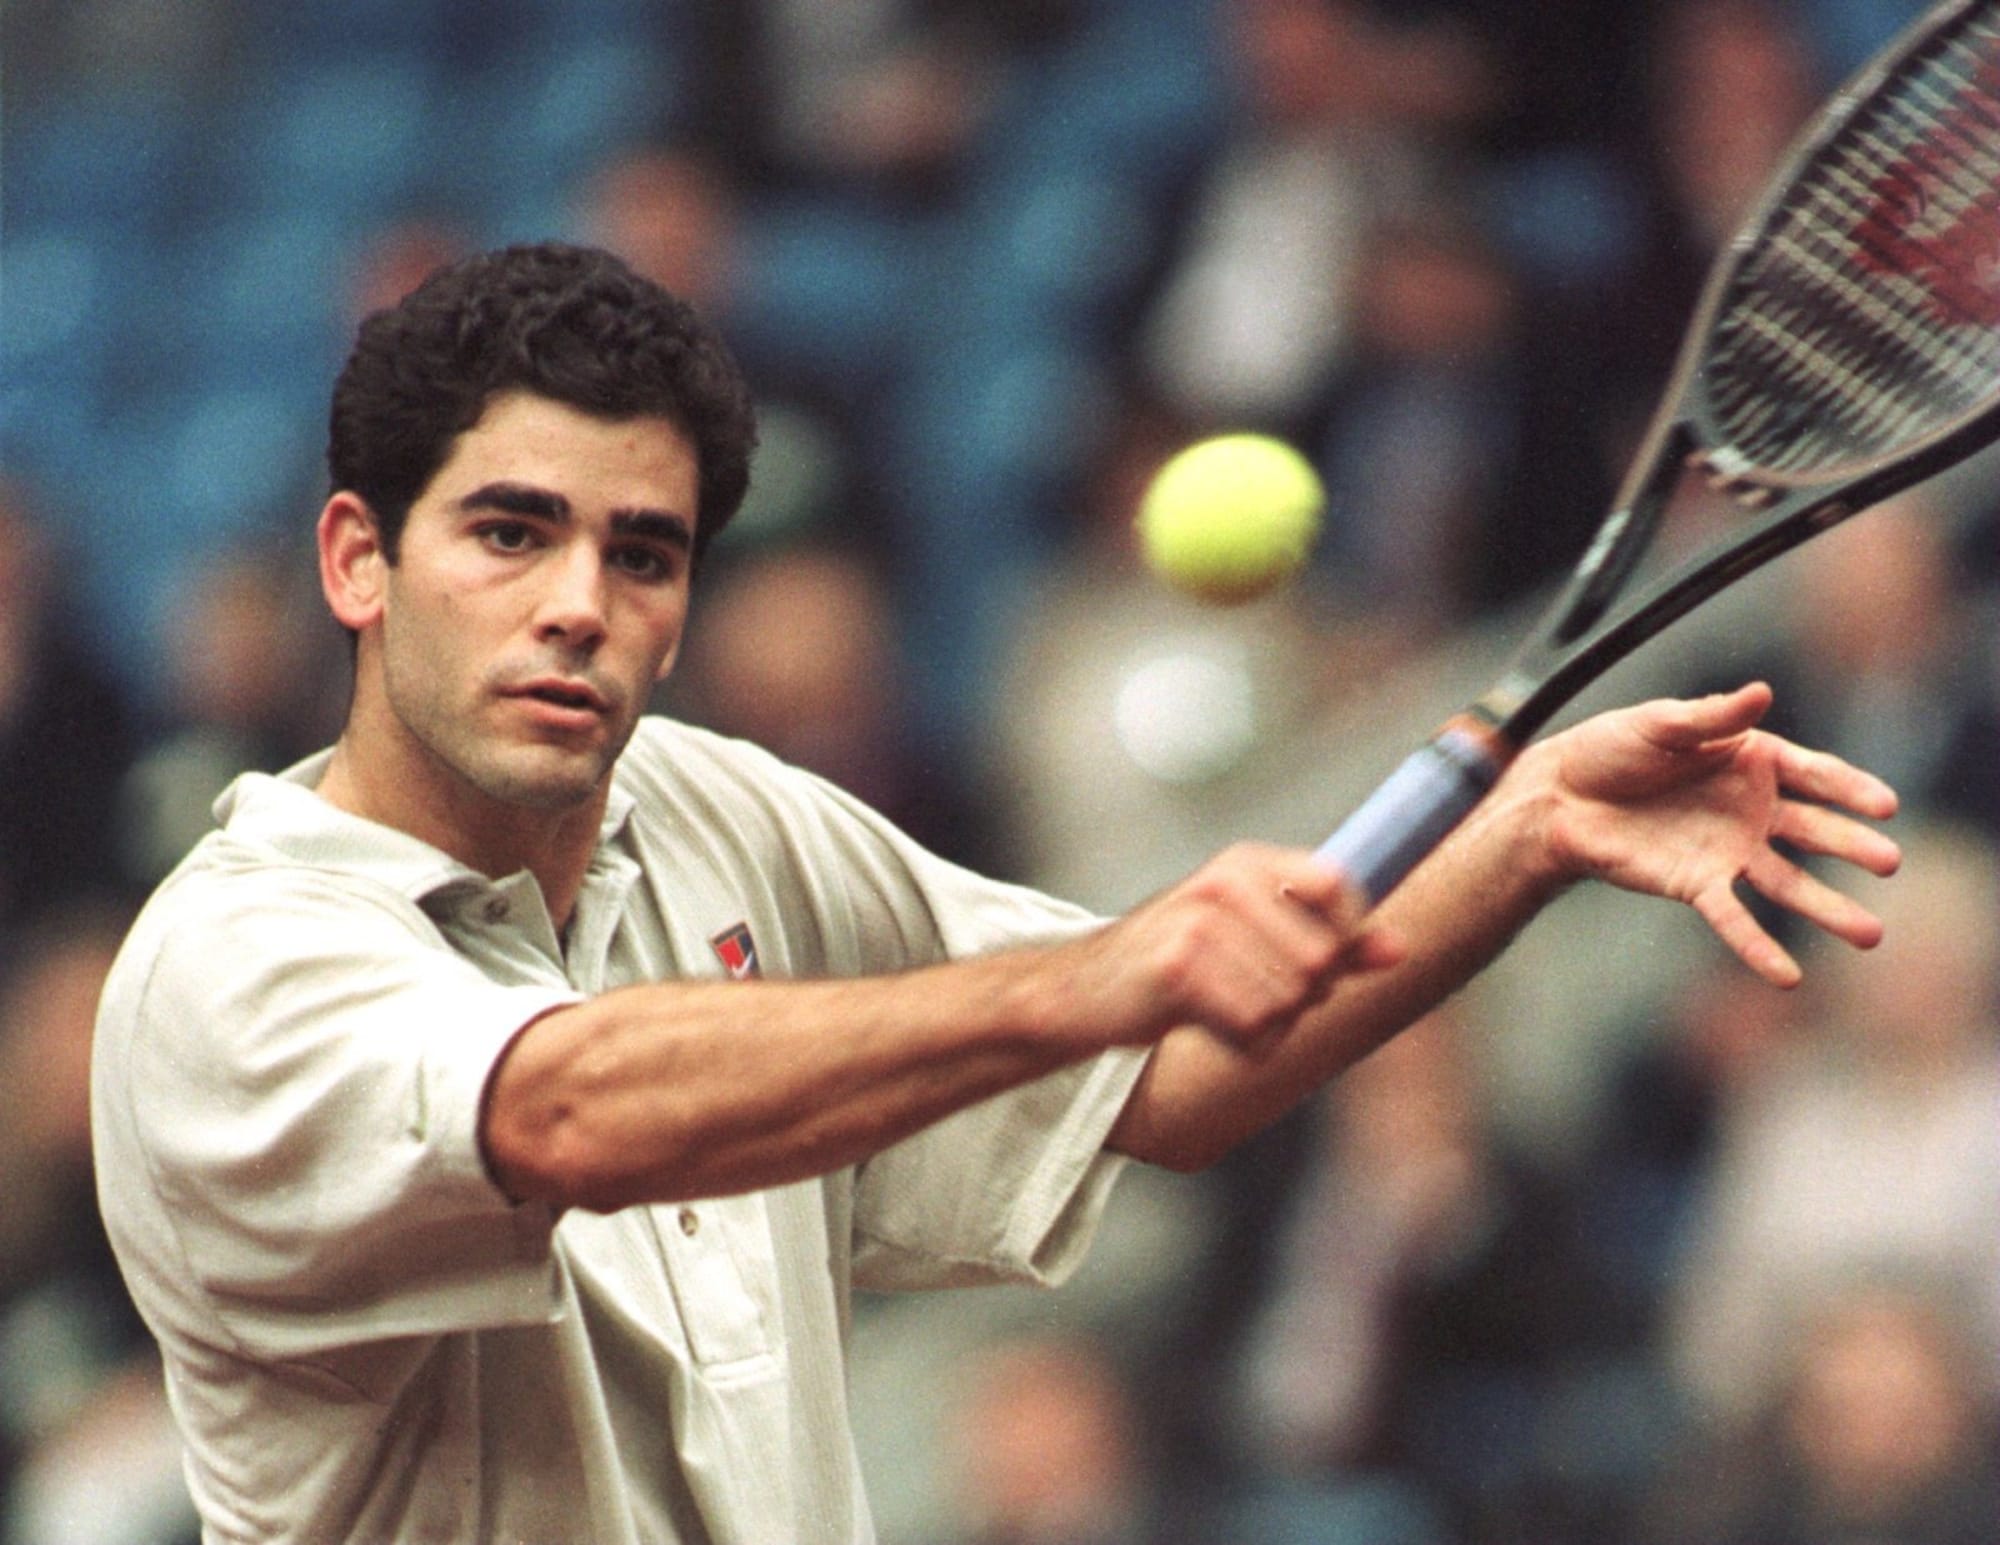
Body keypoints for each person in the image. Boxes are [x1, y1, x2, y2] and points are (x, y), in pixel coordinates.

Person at [91, 242, 1903, 1545]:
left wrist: (1516, 845)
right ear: (357, 559)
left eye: (642, 554)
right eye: (510, 530)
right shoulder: (235, 963)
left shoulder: (722, 817)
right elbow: (559, 1105)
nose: (580, 601)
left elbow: (1165, 1084)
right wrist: (1085, 980)